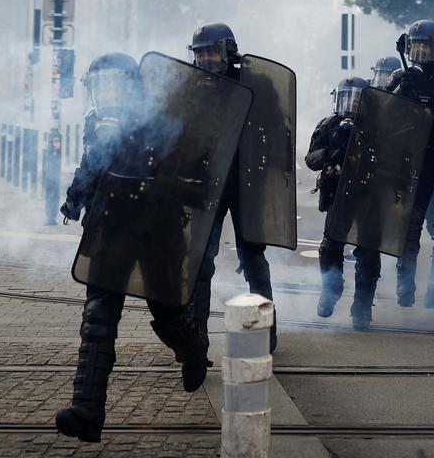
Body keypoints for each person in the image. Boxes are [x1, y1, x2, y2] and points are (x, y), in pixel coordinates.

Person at [55, 54, 209, 443]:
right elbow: (92, 165)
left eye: (114, 84)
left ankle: (194, 352)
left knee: (169, 312)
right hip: (111, 226)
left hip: (156, 231)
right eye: (101, 84)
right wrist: (74, 199)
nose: (107, 93)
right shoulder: (96, 122)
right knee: (98, 316)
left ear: (131, 86)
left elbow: (187, 170)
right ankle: (87, 410)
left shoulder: (158, 119)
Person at [186, 23, 277, 350]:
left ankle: (265, 330)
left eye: (211, 51)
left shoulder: (254, 83)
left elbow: (276, 127)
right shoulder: (190, 88)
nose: (206, 59)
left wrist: (267, 167)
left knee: (252, 257)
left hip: (244, 183)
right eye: (200, 53)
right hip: (207, 185)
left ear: (228, 50)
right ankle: (196, 333)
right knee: (200, 259)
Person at [389, 19, 434, 308]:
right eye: (415, 46)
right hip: (414, 162)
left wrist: (433, 99)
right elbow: (385, 115)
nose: (420, 51)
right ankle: (404, 286)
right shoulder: (404, 78)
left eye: (425, 46)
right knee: (409, 227)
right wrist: (402, 90)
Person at [307, 76, 380, 330]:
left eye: (356, 100)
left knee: (369, 253)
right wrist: (332, 152)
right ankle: (331, 291)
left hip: (368, 199)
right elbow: (311, 159)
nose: (349, 105)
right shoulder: (328, 125)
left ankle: (362, 308)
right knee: (330, 248)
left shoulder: (376, 126)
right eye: (345, 98)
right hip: (338, 198)